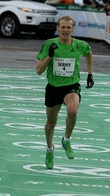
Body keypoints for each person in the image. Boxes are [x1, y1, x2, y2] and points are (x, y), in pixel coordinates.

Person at [36, 15, 94, 169]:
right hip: (53, 87)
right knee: (51, 123)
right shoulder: (49, 44)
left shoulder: (80, 45)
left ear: (73, 29)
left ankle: (66, 140)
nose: (66, 30)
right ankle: (50, 149)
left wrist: (89, 74)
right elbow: (38, 71)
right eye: (63, 27)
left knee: (73, 110)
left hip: (71, 86)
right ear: (58, 28)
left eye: (69, 27)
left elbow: (88, 53)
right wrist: (50, 55)